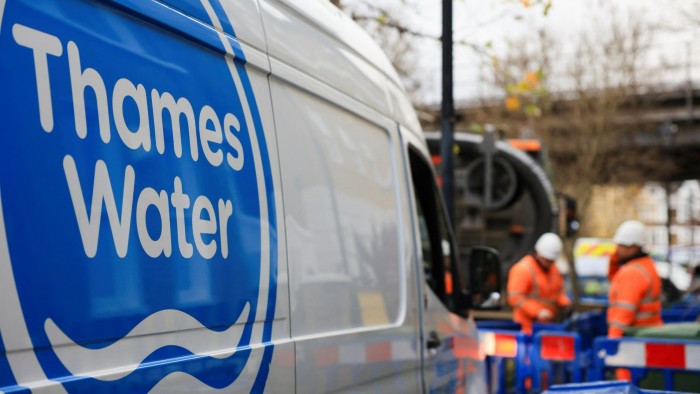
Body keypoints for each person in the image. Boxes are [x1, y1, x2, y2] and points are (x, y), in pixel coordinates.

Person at [607, 220, 663, 380]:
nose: (617, 249)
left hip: (631, 342)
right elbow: (614, 279)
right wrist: (614, 259)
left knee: (628, 384)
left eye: (622, 246)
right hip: (647, 338)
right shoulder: (646, 265)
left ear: (634, 247)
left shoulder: (632, 273)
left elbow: (622, 316)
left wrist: (612, 345)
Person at [507, 233, 571, 335]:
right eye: (547, 260)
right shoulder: (523, 269)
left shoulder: (553, 269)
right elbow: (515, 298)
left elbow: (559, 292)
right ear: (538, 253)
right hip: (527, 328)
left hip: (548, 327)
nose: (549, 263)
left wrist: (565, 304)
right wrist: (538, 312)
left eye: (551, 261)